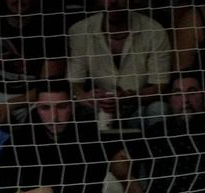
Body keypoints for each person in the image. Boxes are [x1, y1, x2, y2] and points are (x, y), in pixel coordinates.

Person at [0, 81, 112, 193]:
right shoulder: (23, 135)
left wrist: (49, 191)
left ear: (72, 106)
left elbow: (92, 182)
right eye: (45, 108)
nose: (54, 116)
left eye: (61, 107)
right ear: (36, 108)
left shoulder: (89, 133)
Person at [66, 0, 171, 130]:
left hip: (138, 106)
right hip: (98, 108)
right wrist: (87, 97)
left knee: (158, 109)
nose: (112, 2)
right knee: (74, 112)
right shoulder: (80, 30)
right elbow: (75, 84)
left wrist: (128, 97)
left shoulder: (154, 31)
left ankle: (154, 149)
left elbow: (160, 86)